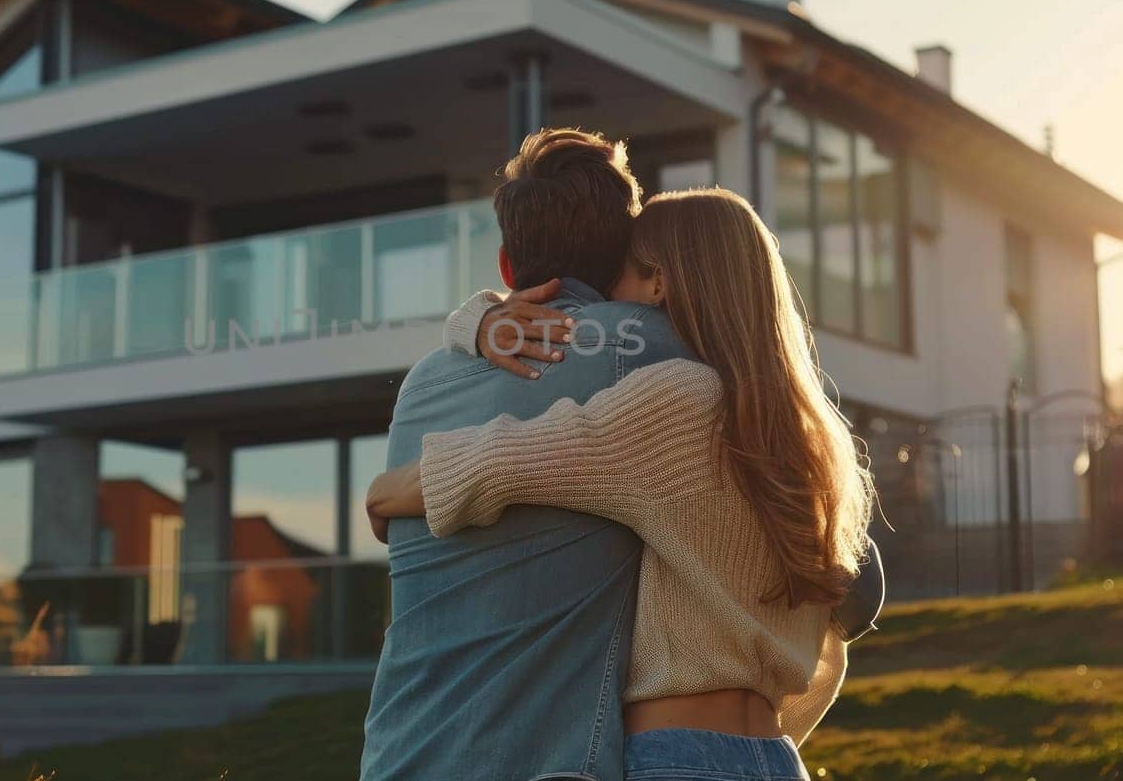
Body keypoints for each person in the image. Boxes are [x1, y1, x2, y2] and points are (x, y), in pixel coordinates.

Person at [358, 128, 881, 781]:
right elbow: (860, 585)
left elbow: (502, 459)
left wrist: (384, 490)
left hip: (671, 752)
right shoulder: (800, 430)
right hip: (776, 758)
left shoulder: (665, 390)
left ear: (659, 283)